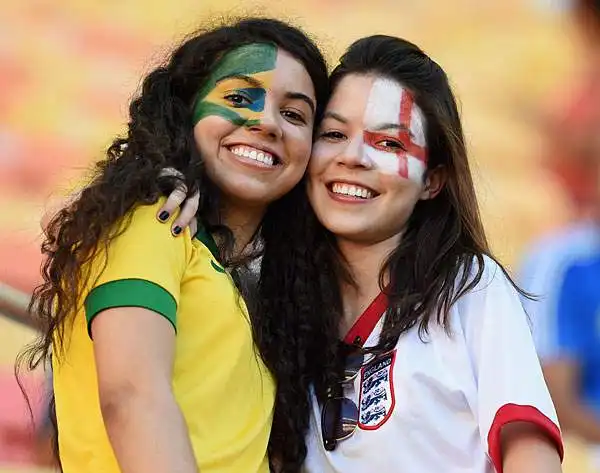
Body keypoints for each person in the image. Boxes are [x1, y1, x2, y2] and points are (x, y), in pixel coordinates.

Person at [168, 34, 565, 472]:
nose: (352, 157)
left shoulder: (466, 286)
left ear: (433, 180)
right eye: (334, 134)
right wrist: (171, 188)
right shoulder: (268, 292)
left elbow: (531, 452)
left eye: (390, 143)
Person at [19, 17, 329, 473]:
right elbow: (132, 398)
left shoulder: (260, 289)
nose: (266, 122)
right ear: (185, 110)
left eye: (295, 114)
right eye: (239, 98)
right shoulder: (153, 219)